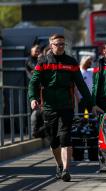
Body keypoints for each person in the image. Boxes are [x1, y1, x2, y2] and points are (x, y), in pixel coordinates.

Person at [28, 34, 102, 182]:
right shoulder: (42, 62)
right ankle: (60, 165)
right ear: (51, 45)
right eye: (57, 44)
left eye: (62, 44)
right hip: (48, 107)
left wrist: (91, 104)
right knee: (54, 141)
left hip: (67, 106)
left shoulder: (71, 62)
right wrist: (33, 98)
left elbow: (81, 85)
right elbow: (33, 83)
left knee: (65, 137)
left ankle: (66, 170)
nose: (60, 47)